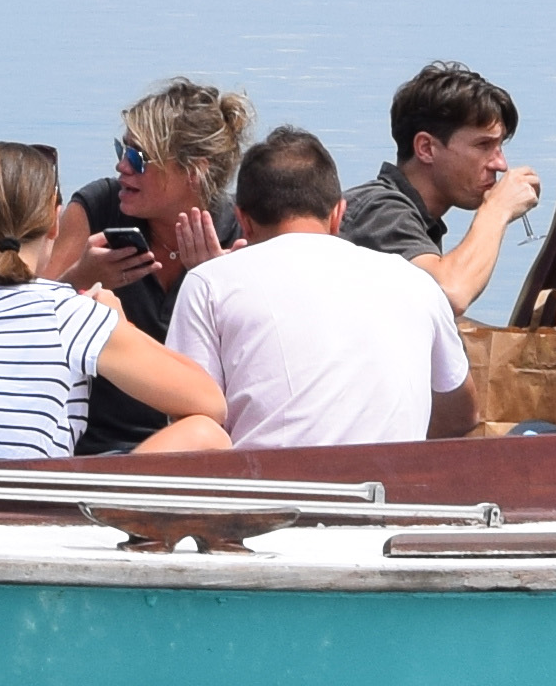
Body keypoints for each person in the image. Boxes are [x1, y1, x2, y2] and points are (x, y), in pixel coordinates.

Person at [0, 143, 229, 462]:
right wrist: (119, 323)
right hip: (19, 515)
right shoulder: (70, 315)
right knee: (205, 432)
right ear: (53, 224)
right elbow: (210, 403)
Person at [183, 128, 476, 447]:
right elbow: (461, 414)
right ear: (338, 213)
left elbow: (191, 421)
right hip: (390, 490)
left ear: (244, 220)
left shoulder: (209, 282)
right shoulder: (417, 281)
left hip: (269, 491)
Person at [72, 75, 251, 455]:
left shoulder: (240, 235)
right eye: (123, 149)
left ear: (192, 171)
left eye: (138, 157)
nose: (122, 166)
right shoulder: (97, 209)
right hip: (90, 447)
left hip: (198, 446)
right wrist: (78, 278)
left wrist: (214, 288)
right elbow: (21, 318)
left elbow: (257, 370)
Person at [339, 62, 541, 320]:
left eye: (500, 146)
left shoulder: (416, 220)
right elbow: (449, 293)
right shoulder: (380, 211)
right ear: (425, 148)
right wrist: (497, 209)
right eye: (483, 145)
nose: (500, 164)